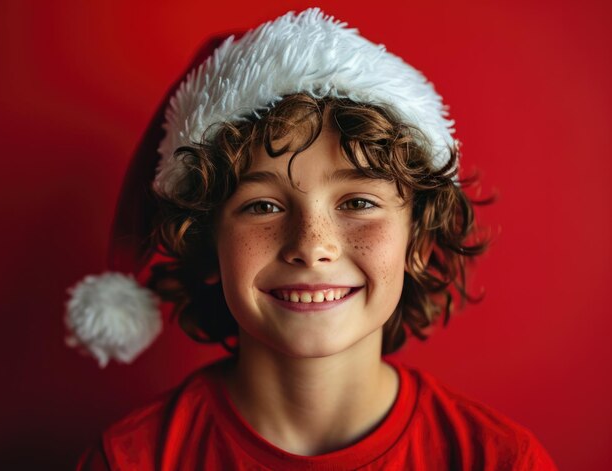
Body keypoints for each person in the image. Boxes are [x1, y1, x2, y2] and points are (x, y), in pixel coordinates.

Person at [68, 8, 557, 470]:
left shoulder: (499, 460)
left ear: (418, 242)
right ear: (206, 242)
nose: (312, 244)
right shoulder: (131, 459)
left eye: (359, 203)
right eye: (262, 206)